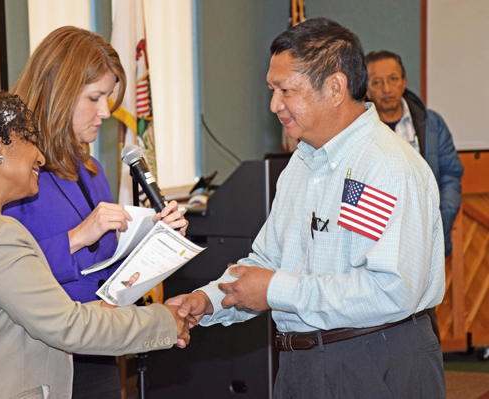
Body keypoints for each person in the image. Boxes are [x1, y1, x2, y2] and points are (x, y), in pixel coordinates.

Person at [167, 18, 446, 398]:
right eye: (272, 90)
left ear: (335, 87)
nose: (274, 104)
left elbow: (388, 290)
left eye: (286, 90)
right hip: (304, 364)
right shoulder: (302, 162)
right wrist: (209, 300)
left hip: (374, 358)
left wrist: (276, 290)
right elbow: (268, 260)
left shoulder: (381, 166)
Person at [0, 89, 190, 399]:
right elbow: (68, 326)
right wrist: (164, 323)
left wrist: (130, 308)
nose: (41, 157)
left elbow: (27, 316)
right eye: (30, 140)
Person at [2, 26, 188, 398]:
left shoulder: (89, 169)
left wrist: (155, 244)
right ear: (58, 93)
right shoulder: (10, 171)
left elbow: (106, 268)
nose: (106, 111)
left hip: (99, 344)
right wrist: (77, 237)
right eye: (94, 97)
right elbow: (1, 273)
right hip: (36, 353)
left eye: (108, 97)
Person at [365, 51, 463, 343]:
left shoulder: (431, 124)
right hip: (378, 242)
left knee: (424, 322)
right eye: (377, 82)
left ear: (404, 81)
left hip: (425, 240)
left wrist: (441, 222)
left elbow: (450, 176)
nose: (386, 89)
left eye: (393, 79)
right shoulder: (359, 130)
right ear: (365, 88)